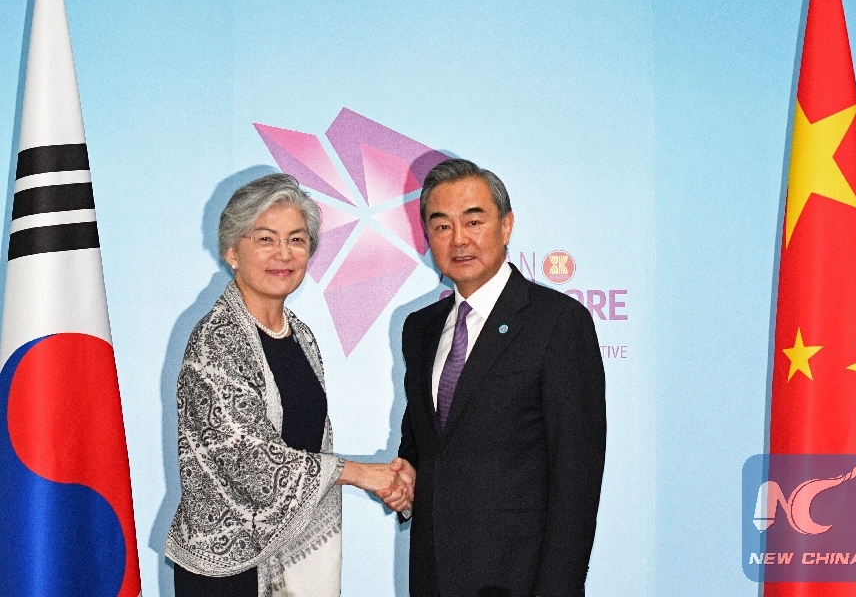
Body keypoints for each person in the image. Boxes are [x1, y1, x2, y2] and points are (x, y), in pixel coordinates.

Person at [165, 173, 411, 597]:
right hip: (229, 571)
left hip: (291, 557)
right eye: (265, 239)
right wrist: (360, 474)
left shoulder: (300, 335)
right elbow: (250, 462)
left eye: (297, 240)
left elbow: (309, 443)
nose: (284, 253)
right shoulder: (216, 339)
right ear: (232, 251)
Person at [384, 159, 606, 596]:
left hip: (520, 580)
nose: (459, 239)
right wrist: (404, 480)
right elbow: (423, 445)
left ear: (506, 226)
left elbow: (576, 480)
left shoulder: (558, 323)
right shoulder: (419, 328)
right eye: (442, 226)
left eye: (473, 221)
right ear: (425, 236)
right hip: (433, 576)